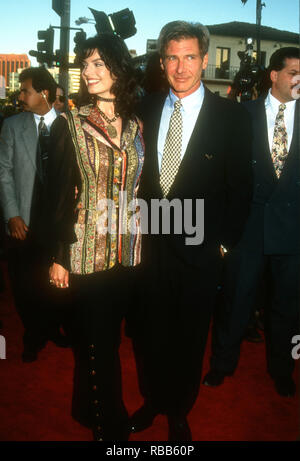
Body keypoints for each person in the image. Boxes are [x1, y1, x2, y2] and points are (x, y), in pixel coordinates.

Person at [129, 20, 253, 441]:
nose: (180, 68)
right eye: (172, 57)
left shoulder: (232, 116)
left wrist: (222, 246)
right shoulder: (143, 109)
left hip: (201, 251)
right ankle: (153, 399)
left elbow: (241, 189)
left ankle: (179, 410)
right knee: (149, 331)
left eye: (189, 57)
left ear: (203, 59)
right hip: (149, 249)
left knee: (189, 334)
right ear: (162, 61)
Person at [46, 34, 144, 441]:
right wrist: (58, 256)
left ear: (119, 69)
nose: (88, 72)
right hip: (85, 253)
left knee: (109, 340)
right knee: (98, 344)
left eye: (98, 64)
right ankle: (108, 427)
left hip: (130, 253)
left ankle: (88, 409)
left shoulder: (138, 124)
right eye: (84, 65)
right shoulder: (69, 124)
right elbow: (55, 196)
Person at [204, 47, 300, 398]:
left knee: (288, 306)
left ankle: (283, 369)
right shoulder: (241, 114)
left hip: (293, 227)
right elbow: (222, 173)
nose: (299, 80)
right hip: (248, 226)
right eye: (294, 73)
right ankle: (222, 365)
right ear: (274, 75)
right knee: (235, 300)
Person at [0, 66, 68, 362]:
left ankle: (53, 326)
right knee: (25, 284)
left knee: (56, 281)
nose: (20, 95)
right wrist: (12, 214)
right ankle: (34, 334)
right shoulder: (12, 125)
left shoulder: (70, 125)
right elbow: (3, 172)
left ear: (44, 93)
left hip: (57, 222)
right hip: (24, 221)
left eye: (25, 89)